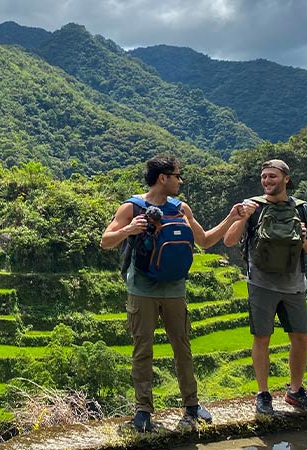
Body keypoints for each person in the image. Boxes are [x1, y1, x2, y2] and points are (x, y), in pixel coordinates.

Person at [100, 154, 246, 432]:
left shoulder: (182, 209)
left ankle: (191, 404)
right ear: (163, 178)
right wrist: (130, 229)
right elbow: (105, 241)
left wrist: (231, 217)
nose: (181, 181)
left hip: (175, 290)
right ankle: (143, 409)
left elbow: (203, 241)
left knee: (182, 347)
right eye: (177, 175)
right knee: (143, 349)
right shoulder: (131, 207)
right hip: (142, 289)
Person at [223, 159, 307, 416]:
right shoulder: (253, 207)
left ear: (286, 179)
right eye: (264, 177)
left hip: (294, 285)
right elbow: (229, 240)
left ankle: (295, 391)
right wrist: (241, 217)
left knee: (301, 337)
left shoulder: (304, 210)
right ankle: (263, 394)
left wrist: (301, 241)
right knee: (262, 338)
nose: (268, 181)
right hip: (261, 283)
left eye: (273, 176)